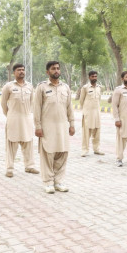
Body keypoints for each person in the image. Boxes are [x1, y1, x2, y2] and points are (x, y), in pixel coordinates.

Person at [34, 61, 75, 193]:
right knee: (48, 154)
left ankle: (59, 181)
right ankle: (48, 182)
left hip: (62, 127)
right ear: (48, 72)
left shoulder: (66, 88)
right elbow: (37, 109)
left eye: (58, 68)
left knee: (62, 154)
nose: (56, 71)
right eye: (53, 69)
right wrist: (38, 126)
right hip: (47, 127)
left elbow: (69, 107)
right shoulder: (41, 87)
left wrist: (72, 124)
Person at [1, 63, 39, 177]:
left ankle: (29, 166)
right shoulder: (8, 86)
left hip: (26, 120)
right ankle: (9, 168)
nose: (21, 72)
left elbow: (32, 102)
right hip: (13, 120)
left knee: (28, 143)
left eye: (23, 70)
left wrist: (29, 115)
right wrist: (9, 115)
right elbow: (3, 103)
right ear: (14, 73)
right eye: (19, 70)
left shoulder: (30, 86)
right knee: (11, 144)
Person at [79, 70, 105, 157]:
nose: (94, 78)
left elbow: (99, 100)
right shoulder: (85, 88)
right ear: (89, 77)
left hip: (97, 113)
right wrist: (85, 111)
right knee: (86, 132)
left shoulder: (99, 87)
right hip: (88, 114)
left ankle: (96, 149)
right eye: (93, 76)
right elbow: (81, 101)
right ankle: (84, 150)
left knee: (97, 131)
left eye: (95, 76)